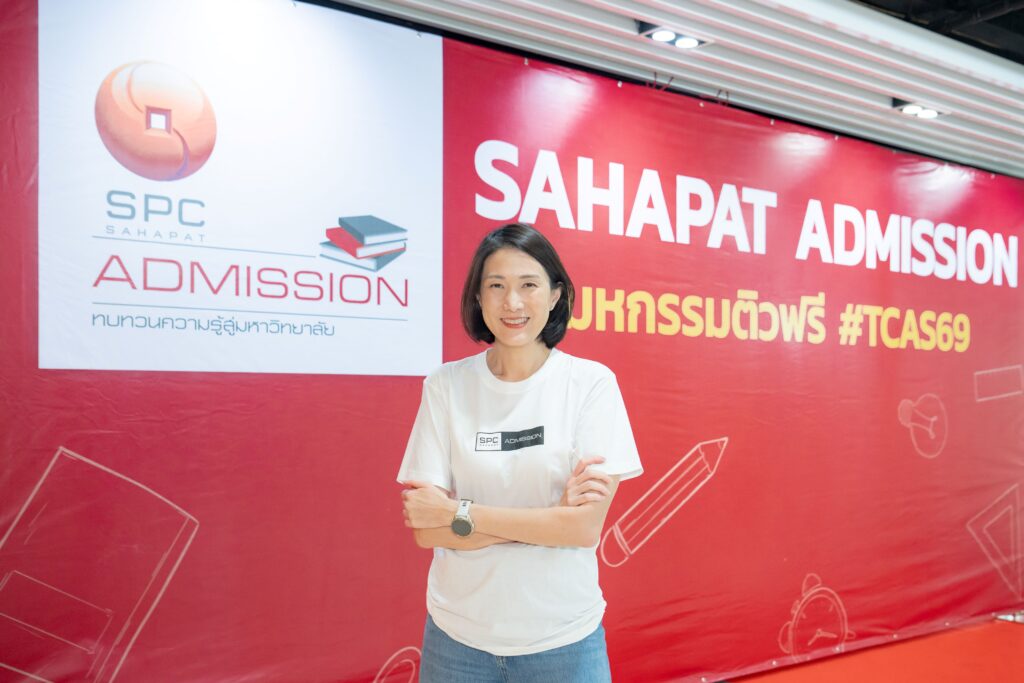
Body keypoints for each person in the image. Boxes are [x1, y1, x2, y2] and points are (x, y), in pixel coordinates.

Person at [397, 223, 643, 682]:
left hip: (563, 639)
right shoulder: (446, 385)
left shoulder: (590, 384)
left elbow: (582, 528)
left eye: (528, 285)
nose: (512, 302)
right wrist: (548, 521)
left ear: (555, 295)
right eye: (496, 286)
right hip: (457, 638)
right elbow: (427, 529)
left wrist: (459, 514)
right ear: (478, 297)